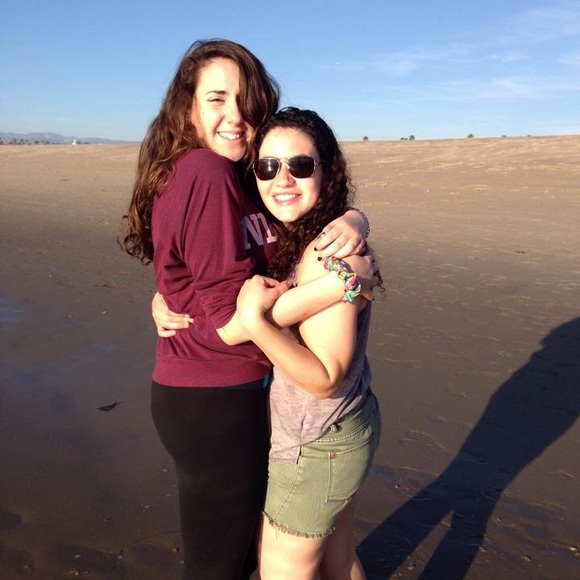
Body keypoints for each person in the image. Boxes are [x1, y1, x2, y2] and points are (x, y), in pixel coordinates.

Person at [121, 39, 373, 580]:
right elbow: (230, 324)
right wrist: (342, 285)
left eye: (246, 100)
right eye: (217, 99)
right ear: (187, 107)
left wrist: (355, 219)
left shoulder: (241, 175)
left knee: (244, 556)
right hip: (214, 398)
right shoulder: (206, 173)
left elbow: (200, 269)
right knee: (221, 566)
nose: (235, 116)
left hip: (235, 394)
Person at [235, 107, 382, 579]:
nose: (282, 179)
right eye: (267, 167)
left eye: (299, 165)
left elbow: (325, 378)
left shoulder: (324, 252)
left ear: (326, 170)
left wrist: (256, 324)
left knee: (282, 568)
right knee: (338, 557)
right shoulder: (306, 235)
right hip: (345, 424)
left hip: (317, 440)